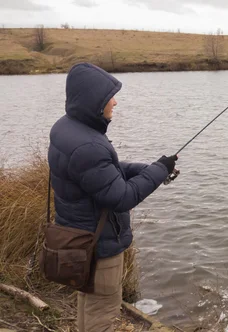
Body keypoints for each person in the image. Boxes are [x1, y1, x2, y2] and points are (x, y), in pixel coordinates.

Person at [47, 62, 178, 331]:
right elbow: (121, 197)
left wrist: (151, 169)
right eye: (109, 97)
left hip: (77, 239)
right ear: (93, 102)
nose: (115, 102)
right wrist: (156, 172)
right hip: (99, 245)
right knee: (102, 315)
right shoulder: (88, 145)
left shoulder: (67, 128)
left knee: (88, 302)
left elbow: (103, 173)